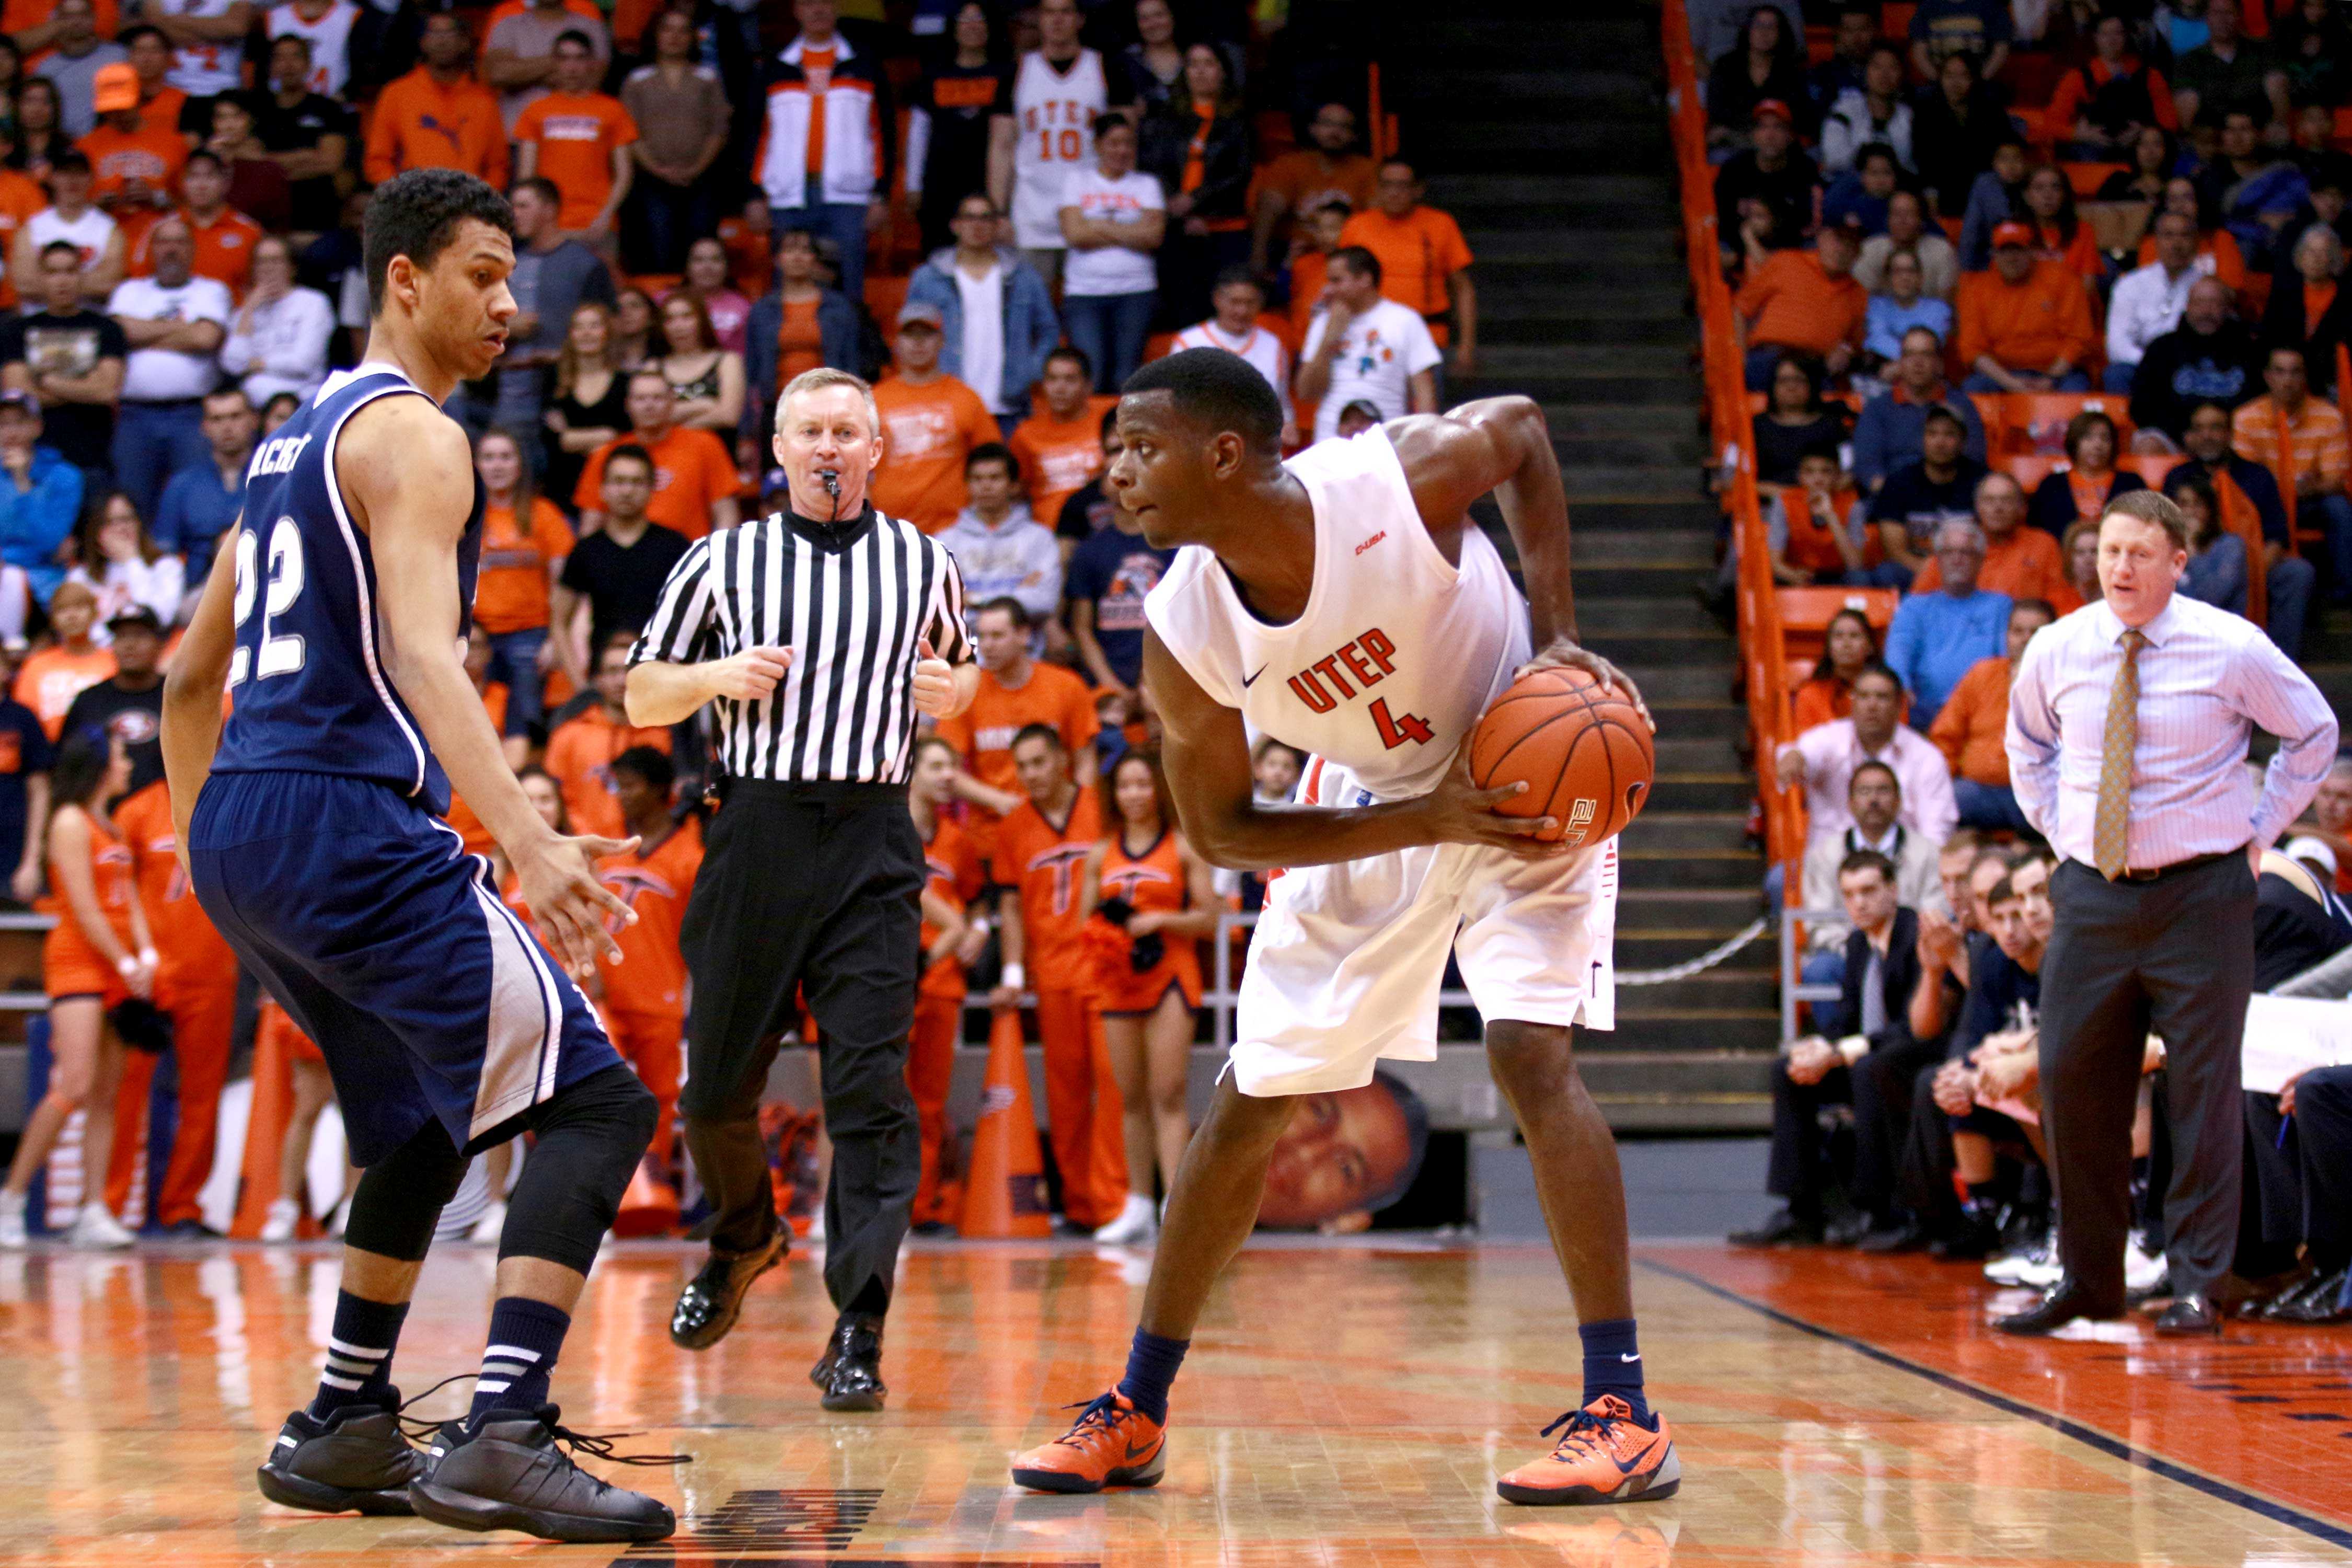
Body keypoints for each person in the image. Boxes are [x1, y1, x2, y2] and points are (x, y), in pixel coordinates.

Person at [1006, 348, 1681, 1506]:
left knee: (1530, 1052)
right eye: (1112, 451)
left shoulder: (1388, 483)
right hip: (1377, 803)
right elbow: (1220, 831)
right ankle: (1137, 1409)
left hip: (1528, 770)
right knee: (1250, 1101)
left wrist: (1560, 636)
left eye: (1138, 448)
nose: (1114, 474)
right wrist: (1424, 816)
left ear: (1225, 454)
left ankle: (1623, 1410)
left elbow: (1519, 428)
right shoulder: (1182, 631)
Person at [161, 166, 674, 1541]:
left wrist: (204, 844)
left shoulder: (288, 442)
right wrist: (522, 835)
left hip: (247, 830)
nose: (512, 305)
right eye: (483, 274)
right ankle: (504, 1428)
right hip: (339, 815)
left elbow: (186, 678)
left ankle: (340, 1424)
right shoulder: (418, 438)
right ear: (405, 278)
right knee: (596, 1102)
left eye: (517, 279)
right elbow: (417, 653)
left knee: (422, 1115)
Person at [623, 363, 979, 1411]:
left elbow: (960, 677)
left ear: (878, 451)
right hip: (756, 832)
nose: (828, 448)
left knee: (869, 1094)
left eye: (846, 432)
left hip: (872, 836)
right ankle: (743, 1237)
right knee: (715, 1093)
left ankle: (860, 1324)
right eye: (809, 432)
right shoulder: (720, 561)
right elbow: (644, 691)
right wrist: (710, 680)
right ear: (777, 451)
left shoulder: (926, 563)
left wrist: (952, 692)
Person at [1999, 489, 2337, 1338]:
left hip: (2206, 892)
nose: (2121, 567)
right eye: (2110, 551)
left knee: (2203, 1091)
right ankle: (2086, 1281)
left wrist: (2261, 830)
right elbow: (2025, 746)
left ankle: (2196, 1282)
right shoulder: (2059, 646)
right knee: (2073, 1080)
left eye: (2142, 554)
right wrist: (2061, 831)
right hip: (2091, 889)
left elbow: (2314, 731)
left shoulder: (2230, 646)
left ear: (2178, 563)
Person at [1736, 850, 1941, 1248]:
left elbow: (1912, 1027)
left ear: (1893, 890)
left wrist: (1844, 1051)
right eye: (1849, 894)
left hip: (1914, 1057)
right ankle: (1802, 1211)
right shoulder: (1859, 944)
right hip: (1873, 1055)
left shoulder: (1915, 935)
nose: (1858, 903)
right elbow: (1848, 1018)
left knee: (1868, 1066)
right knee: (1788, 1070)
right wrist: (1817, 1047)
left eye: (1868, 891)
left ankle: (1878, 1210)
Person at [0, 732, 147, 1248]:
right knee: (76, 1084)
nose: (127, 764)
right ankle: (12, 1198)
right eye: (120, 756)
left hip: (119, 964)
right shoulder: (68, 821)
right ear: (99, 765)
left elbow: (127, 896)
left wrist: (145, 953)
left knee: (108, 1092)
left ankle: (93, 1208)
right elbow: (84, 909)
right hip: (79, 961)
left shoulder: (113, 822)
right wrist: (126, 959)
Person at [981, 721, 1127, 1233]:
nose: (1031, 775)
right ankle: (1084, 1208)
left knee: (1113, 1086)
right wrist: (1015, 970)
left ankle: (1116, 1203)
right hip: (1052, 973)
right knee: (1065, 1095)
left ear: (1064, 759)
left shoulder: (1101, 807)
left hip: (1107, 969)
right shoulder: (1014, 826)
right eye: (1022, 766)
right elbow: (1011, 905)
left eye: (1040, 762)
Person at [1079, 749, 1214, 1246]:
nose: (1134, 794)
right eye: (1125, 786)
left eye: (1142, 784)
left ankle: (1175, 1206)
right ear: (1113, 795)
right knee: (1130, 1097)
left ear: (1158, 788)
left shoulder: (1181, 847)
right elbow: (1083, 923)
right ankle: (1137, 1206)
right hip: (1118, 980)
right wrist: (1109, 927)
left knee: (1169, 1093)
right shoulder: (1100, 853)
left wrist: (1160, 921)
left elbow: (1209, 918)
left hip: (1171, 976)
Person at [105, 756, 240, 1235]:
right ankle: (111, 1204)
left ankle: (183, 1207)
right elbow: (119, 887)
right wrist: (136, 956)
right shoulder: (137, 811)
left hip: (213, 970)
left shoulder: (230, 804)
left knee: (202, 1095)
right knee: (125, 1091)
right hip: (151, 974)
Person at [592, 745, 700, 1167]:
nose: (621, 794)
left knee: (659, 1096)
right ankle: (600, 1189)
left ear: (660, 791)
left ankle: (652, 1193)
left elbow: (700, 936)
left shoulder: (691, 856)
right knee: (595, 1094)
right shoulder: (606, 844)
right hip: (602, 992)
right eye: (618, 784)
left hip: (661, 996)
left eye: (631, 785)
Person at [753, 0, 892, 309]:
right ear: (796, 10)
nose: (818, 9)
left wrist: (881, 194)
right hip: (787, 195)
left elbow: (883, 134)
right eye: (808, 3)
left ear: (838, 8)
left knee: (848, 290)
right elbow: (756, 133)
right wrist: (753, 194)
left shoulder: (864, 63)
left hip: (849, 197)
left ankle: (847, 357)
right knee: (786, 290)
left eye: (826, 2)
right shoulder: (776, 65)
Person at [936, 595, 1098, 855]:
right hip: (991, 835)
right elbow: (948, 770)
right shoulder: (966, 693)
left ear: (1024, 635)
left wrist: (1077, 813)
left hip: (1060, 831)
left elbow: (1085, 761)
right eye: (982, 636)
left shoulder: (1067, 686)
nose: (987, 646)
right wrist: (999, 801)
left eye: (997, 636)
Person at [903, 733, 984, 1230]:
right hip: (891, 979)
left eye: (951, 768)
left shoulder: (958, 839)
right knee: (887, 1097)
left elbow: (977, 899)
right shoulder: (886, 832)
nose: (946, 776)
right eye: (935, 766)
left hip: (941, 980)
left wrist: (976, 929)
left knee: (929, 1104)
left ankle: (921, 1203)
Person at [106, 216, 230, 524]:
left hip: (193, 416)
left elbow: (206, 337)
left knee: (197, 502)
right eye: (163, 242)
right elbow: (119, 333)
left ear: (192, 249)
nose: (171, 250)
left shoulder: (211, 290)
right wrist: (179, 330)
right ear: (151, 250)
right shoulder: (129, 291)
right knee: (132, 504)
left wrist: (144, 337)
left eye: (179, 242)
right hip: (135, 417)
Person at [999, 0, 1129, 294]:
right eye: (1048, 11)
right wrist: (999, 211)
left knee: (1087, 314)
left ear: (1080, 19)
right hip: (1031, 214)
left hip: (1094, 214)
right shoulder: (1017, 71)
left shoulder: (1106, 67)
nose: (1057, 20)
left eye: (1066, 11)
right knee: (1033, 314)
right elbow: (1002, 146)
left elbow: (1125, 145)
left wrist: (1121, 202)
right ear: (1038, 19)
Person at [906, 193, 1062, 430]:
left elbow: (1048, 330)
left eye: (985, 218)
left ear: (997, 226)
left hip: (1010, 404)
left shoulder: (1024, 277)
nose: (977, 225)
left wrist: (1030, 371)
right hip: (948, 403)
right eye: (969, 218)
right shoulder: (928, 278)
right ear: (955, 225)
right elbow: (911, 335)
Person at [2173, 398, 2314, 655]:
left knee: (2298, 572)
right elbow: (2165, 532)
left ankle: (2279, 660)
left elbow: (2276, 539)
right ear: (2191, 436)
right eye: (2200, 429)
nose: (2208, 436)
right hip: (2194, 563)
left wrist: (2248, 573)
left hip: (2255, 565)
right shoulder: (2177, 477)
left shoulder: (2257, 475)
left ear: (2229, 433)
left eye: (2216, 428)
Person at [487, 178, 615, 443]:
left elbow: (608, 329)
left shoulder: (586, 265)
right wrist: (508, 328)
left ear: (549, 210)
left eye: (523, 206)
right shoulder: (507, 264)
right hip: (513, 393)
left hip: (569, 393)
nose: (515, 214)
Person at [1777, 661, 1959, 846]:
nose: (1872, 705)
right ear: (1853, 702)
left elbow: (1936, 832)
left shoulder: (1927, 758)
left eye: (1882, 697)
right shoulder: (1829, 738)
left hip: (1900, 867)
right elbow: (1805, 753)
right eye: (1863, 697)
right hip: (1831, 866)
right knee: (1778, 875)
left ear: (1900, 704)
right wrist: (1795, 757)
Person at [552, 444, 689, 674]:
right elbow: (559, 622)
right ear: (603, 489)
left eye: (637, 482)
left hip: (664, 678)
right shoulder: (586, 551)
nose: (627, 491)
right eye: (619, 481)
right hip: (603, 679)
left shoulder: (676, 547)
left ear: (651, 488)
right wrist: (581, 686)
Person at [2231, 344, 2352, 599]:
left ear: (2306, 377)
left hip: (2307, 501)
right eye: (2280, 372)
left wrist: (2311, 487)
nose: (2288, 380)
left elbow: (2335, 481)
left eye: (2296, 372)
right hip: (2264, 504)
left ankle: (2345, 593)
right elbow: (2244, 478)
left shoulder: (2329, 417)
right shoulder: (2246, 417)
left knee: (2338, 507)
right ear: (2268, 377)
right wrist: (2277, 488)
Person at [1339, 155, 1477, 378]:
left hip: (1427, 338)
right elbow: (1338, 283)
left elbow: (1463, 288)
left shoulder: (1441, 224)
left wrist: (1466, 348)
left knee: (1424, 412)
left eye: (1402, 185)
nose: (1394, 192)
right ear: (1378, 188)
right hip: (1367, 337)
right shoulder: (1357, 226)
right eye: (1387, 185)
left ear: (1418, 190)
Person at [474, 428, 573, 732]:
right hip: (476, 635)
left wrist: (556, 640)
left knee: (528, 721)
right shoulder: (464, 516)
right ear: (476, 466)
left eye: (506, 457)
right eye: (488, 458)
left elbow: (563, 585)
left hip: (531, 635)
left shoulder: (544, 514)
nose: (497, 465)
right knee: (478, 723)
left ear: (520, 465)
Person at [1058, 114, 1165, 396]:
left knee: (1126, 377)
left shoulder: (1147, 185)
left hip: (1136, 292)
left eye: (1128, 143)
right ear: (1097, 145)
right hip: (1084, 293)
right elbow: (1075, 235)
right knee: (1090, 373)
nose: (1122, 150)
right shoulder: (1076, 181)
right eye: (1113, 143)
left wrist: (1098, 224)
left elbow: (1153, 237)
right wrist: (1131, 231)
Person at [619, 8, 731, 273]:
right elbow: (629, 133)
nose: (675, 37)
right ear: (655, 35)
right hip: (651, 182)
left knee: (700, 249)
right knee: (659, 252)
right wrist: (657, 170)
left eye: (683, 31)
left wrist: (696, 169)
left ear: (694, 38)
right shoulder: (637, 81)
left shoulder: (708, 79)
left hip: (700, 181)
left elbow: (719, 130)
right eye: (667, 29)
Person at [1931, 597, 2057, 832]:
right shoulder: (1982, 674)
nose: (2025, 639)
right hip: (1977, 791)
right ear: (2006, 636)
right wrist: (1942, 783)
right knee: (1948, 800)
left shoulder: (2065, 682)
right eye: (2017, 631)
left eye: (2036, 632)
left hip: (2036, 794)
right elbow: (1945, 736)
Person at [571, 371, 740, 540]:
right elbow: (591, 524)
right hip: (626, 559)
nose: (649, 405)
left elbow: (726, 515)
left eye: (657, 398)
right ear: (628, 405)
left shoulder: (706, 445)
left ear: (672, 402)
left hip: (690, 558)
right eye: (641, 399)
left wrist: (718, 558)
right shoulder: (606, 454)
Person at [1297, 246, 1439, 443]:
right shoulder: (1323, 322)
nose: (1329, 289)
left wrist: (1424, 441)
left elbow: (1424, 391)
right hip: (1330, 443)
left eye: (1337, 280)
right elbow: (1306, 393)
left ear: (1365, 279)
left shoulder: (1405, 320)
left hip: (1387, 443)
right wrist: (1329, 339)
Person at [513, 30, 637, 250]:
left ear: (592, 63)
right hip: (548, 225)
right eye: (564, 58)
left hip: (598, 224)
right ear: (554, 63)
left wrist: (606, 216)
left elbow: (624, 173)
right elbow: (526, 176)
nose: (572, 67)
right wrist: (534, 219)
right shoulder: (536, 110)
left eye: (580, 58)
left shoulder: (613, 110)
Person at [1884, 520, 2013, 729]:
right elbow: (1898, 655)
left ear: (1981, 560)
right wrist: (1901, 687)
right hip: (1926, 712)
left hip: (1984, 711)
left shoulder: (2000, 606)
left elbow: (2006, 660)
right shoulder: (1914, 607)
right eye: (1948, 552)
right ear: (1937, 560)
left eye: (1966, 552)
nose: (1957, 559)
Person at [743, 228, 864, 446]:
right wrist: (745, 434)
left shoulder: (839, 307)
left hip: (830, 409)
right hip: (778, 410)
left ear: (815, 260)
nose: (798, 257)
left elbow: (851, 367)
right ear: (777, 259)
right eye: (790, 250)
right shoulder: (761, 311)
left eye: (805, 250)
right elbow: (750, 373)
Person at [362, 14, 509, 190]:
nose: (442, 42)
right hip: (413, 204)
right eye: (434, 33)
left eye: (450, 34)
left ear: (465, 43)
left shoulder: (484, 100)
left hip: (468, 206)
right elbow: (378, 160)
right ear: (422, 42)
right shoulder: (397, 93)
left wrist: (479, 203)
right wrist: (402, 198)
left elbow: (498, 166)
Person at [545, 641, 671, 840]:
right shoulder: (569, 735)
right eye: (612, 672)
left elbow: (667, 802)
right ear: (598, 680)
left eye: (629, 671)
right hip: (584, 847)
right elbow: (556, 797)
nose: (622, 681)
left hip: (647, 852)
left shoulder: (661, 736)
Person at [1066, 474, 1177, 695]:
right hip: (1106, 674)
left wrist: (1149, 680)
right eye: (1110, 474)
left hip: (1166, 667)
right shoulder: (1089, 551)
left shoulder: (1173, 544)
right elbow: (1081, 628)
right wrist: (1109, 684)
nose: (1120, 478)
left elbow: (1181, 620)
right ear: (1102, 488)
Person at [1956, 223, 2097, 394]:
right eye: (2004, 251)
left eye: (2018, 250)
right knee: (1973, 388)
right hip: (2003, 374)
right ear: (1994, 255)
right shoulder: (1976, 289)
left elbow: (2079, 338)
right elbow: (1972, 349)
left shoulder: (2064, 279)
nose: (2011, 258)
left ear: (2032, 251)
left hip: (2058, 372)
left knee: (2075, 390)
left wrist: (2050, 379)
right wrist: (2010, 382)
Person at [2127, 275, 2266, 444]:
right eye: (2199, 303)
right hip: (2177, 437)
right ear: (2188, 307)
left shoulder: (2249, 350)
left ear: (2228, 309)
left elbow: (2259, 403)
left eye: (2214, 303)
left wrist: (2221, 432)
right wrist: (2186, 433)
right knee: (2148, 444)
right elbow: (2142, 407)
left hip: (2233, 437)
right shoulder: (2162, 348)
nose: (2206, 311)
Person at [1172, 268, 1298, 448]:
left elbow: (1282, 403)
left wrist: (1288, 425)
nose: (1242, 311)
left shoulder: (1273, 344)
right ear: (1217, 300)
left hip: (1257, 451)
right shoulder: (1188, 342)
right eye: (1235, 302)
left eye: (1250, 303)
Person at [1247, 100, 1373, 279]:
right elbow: (1268, 210)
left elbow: (1375, 218)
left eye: (1344, 127)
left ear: (1354, 135)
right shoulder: (1290, 165)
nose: (1335, 132)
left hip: (1348, 256)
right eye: (1327, 124)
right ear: (1313, 129)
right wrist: (1258, 257)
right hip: (1294, 252)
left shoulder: (1367, 170)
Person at [1851, 327, 1987, 492]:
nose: (1918, 363)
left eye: (1926, 355)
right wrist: (1898, 497)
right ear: (1900, 363)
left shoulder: (1962, 405)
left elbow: (1974, 459)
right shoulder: (1877, 408)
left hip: (1949, 497)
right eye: (1910, 355)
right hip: (1893, 498)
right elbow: (1867, 467)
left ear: (1939, 364)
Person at [939, 445, 1060, 630]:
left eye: (995, 478)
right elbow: (937, 604)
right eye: (977, 479)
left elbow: (1044, 601)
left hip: (1025, 650)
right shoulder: (945, 542)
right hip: (964, 647)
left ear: (1014, 486)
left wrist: (974, 599)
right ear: (967, 485)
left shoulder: (1039, 538)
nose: (986, 486)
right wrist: (1018, 594)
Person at [1866, 407, 1988, 583]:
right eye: (1932, 434)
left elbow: (1992, 544)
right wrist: (1936, 575)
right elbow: (1896, 551)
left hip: (1972, 572)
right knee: (1887, 573)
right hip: (1917, 568)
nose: (1940, 442)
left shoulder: (1982, 482)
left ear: (1963, 442)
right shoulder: (1898, 483)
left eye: (1949, 435)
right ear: (1922, 440)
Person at [252, 33, 353, 240]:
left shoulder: (329, 109)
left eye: (296, 57)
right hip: (268, 220)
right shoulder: (257, 110)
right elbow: (249, 164)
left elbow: (329, 163)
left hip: (317, 216)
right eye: (280, 58)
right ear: (271, 67)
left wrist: (269, 167)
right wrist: (304, 156)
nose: (288, 65)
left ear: (308, 65)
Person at [0, 385, 90, 605]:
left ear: (37, 427)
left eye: (20, 422)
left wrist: (22, 483)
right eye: (3, 423)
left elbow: (50, 541)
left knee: (14, 578)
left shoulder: (65, 477)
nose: (11, 431)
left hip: (46, 581)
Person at [220, 235, 333, 407]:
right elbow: (232, 364)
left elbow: (304, 363)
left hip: (300, 402)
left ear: (292, 268)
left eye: (275, 261)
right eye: (261, 262)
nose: (268, 268)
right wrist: (249, 309)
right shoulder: (245, 311)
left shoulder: (313, 303)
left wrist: (255, 364)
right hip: (253, 408)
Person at [1009, 345, 1117, 527]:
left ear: (1088, 386)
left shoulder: (1112, 414)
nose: (1060, 388)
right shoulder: (1025, 434)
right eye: (1052, 379)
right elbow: (1017, 493)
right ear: (1043, 385)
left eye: (1070, 380)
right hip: (1050, 537)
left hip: (1105, 527)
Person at [2106, 212, 2205, 394]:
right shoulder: (2130, 284)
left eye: (2184, 236)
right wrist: (2154, 362)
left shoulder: (2206, 287)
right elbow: (2117, 347)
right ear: (2156, 241)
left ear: (2196, 243)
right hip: (2141, 365)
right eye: (2168, 235)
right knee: (2116, 374)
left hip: (2188, 369)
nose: (2176, 244)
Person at [1714, 99, 1820, 267]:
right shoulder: (1734, 169)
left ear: (1790, 136)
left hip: (1791, 248)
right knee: (1721, 255)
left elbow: (1806, 222)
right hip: (1740, 246)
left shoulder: (1804, 168)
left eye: (1778, 127)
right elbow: (1725, 221)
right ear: (1754, 135)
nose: (1770, 136)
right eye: (1763, 128)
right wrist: (1747, 245)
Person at [542, 300, 628, 505]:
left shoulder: (625, 383)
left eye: (594, 326)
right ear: (571, 335)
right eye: (579, 327)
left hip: (615, 487)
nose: (586, 333)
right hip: (564, 486)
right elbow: (556, 442)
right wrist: (605, 436)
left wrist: (572, 436)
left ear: (607, 332)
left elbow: (624, 439)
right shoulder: (554, 381)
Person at [483, 0, 610, 132]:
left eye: (578, 58)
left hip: (574, 135)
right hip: (516, 135)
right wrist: (561, 62)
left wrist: (520, 73)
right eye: (563, 58)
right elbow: (497, 75)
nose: (568, 65)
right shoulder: (508, 25)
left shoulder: (591, 27)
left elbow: (591, 81)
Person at [66, 516, 178, 663]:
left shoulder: (166, 566)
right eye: (109, 522)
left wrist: (132, 561)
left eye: (127, 520)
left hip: (147, 660)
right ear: (96, 529)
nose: (121, 528)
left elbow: (158, 618)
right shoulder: (80, 575)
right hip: (93, 658)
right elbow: (74, 624)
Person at [2023, 416, 2145, 550]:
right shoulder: (2052, 485)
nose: (2098, 445)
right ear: (2074, 442)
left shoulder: (2131, 483)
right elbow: (2038, 533)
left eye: (2106, 439)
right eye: (2088, 438)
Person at [19, 149, 123, 304]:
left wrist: (51, 279)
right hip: (40, 321)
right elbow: (24, 283)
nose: (72, 180)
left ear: (91, 179)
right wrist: (86, 281)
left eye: (79, 173)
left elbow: (110, 283)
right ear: (52, 178)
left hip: (92, 321)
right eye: (64, 173)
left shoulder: (109, 228)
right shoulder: (32, 227)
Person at [2261, 222, 2352, 399]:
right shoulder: (2284, 293)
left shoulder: (2347, 298)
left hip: (2330, 384)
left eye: (2323, 252)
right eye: (2310, 251)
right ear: (2301, 256)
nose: (2316, 258)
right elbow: (2269, 338)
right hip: (2286, 380)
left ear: (2333, 259)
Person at [2171, 0, 2290, 133]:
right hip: (2211, 139)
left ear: (2239, 15)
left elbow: (2279, 95)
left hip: (2258, 133)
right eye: (2216, 13)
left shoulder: (2263, 52)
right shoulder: (2189, 61)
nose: (2222, 20)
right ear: (2207, 17)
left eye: (2228, 13)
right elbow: (2187, 115)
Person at [14, 580, 112, 739]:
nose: (72, 616)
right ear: (53, 620)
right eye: (63, 609)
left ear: (95, 613)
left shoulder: (113, 662)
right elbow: (24, 719)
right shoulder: (36, 665)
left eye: (79, 607)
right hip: (50, 755)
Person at [1761, 444, 1867, 585]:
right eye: (1809, 472)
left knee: (1860, 579)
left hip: (1838, 577)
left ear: (1838, 476)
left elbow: (1855, 565)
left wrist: (1830, 516)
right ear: (1800, 476)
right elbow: (1774, 562)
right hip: (1796, 574)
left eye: (1826, 472)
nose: (1818, 479)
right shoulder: (1785, 502)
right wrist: (1792, 575)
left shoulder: (1853, 504)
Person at [1709, 7, 1813, 147]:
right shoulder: (1725, 66)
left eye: (1771, 27)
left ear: (1781, 34)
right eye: (1758, 26)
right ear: (1748, 30)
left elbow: (1798, 114)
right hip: (1734, 139)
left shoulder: (1792, 70)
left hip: (1779, 141)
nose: (1764, 33)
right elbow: (1719, 112)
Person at [651, 291, 745, 437]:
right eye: (670, 319)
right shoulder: (653, 367)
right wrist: (705, 404)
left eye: (687, 317)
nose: (679, 326)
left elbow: (729, 416)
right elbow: (650, 417)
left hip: (716, 450)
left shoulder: (727, 361)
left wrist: (677, 432)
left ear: (702, 320)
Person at [2167, 463, 2253, 615]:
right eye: (2184, 504)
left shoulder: (2231, 546)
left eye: (2198, 504)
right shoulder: (2164, 545)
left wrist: (2191, 549)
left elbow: (2210, 601)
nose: (2190, 512)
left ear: (2210, 510)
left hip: (2218, 633)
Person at [1751, 354, 1848, 487]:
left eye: (1799, 380)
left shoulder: (1832, 424)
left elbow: (1849, 471)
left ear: (1812, 385)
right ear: (1772, 386)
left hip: (1825, 501)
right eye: (1784, 380)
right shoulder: (1754, 426)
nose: (1792, 387)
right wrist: (1786, 496)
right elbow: (1732, 478)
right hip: (1766, 503)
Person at [1823, 42, 1913, 177]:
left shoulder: (1910, 117)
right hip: (1848, 184)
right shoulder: (1844, 110)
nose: (1884, 75)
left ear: (1902, 74)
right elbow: (1834, 159)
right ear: (1866, 72)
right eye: (1877, 67)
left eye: (1892, 67)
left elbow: (1911, 165)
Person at [1862, 251, 1951, 385]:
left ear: (1921, 277)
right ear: (1887, 278)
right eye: (1898, 271)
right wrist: (1908, 363)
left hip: (1928, 376)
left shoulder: (1938, 309)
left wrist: (1902, 366)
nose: (1905, 277)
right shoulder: (1875, 306)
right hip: (1884, 373)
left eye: (1911, 271)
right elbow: (1876, 339)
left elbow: (1932, 346)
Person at [1854, 191, 1959, 303]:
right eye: (1896, 214)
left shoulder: (1942, 250)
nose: (1902, 220)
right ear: (1888, 219)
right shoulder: (1870, 249)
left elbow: (1947, 302)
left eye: (1909, 214)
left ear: (1921, 219)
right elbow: (1860, 299)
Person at [1793, 606, 1881, 730]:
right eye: (1838, 636)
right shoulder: (1809, 695)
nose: (1846, 643)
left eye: (1855, 636)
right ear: (1829, 647)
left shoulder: (1888, 693)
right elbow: (1805, 745)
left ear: (1870, 646)